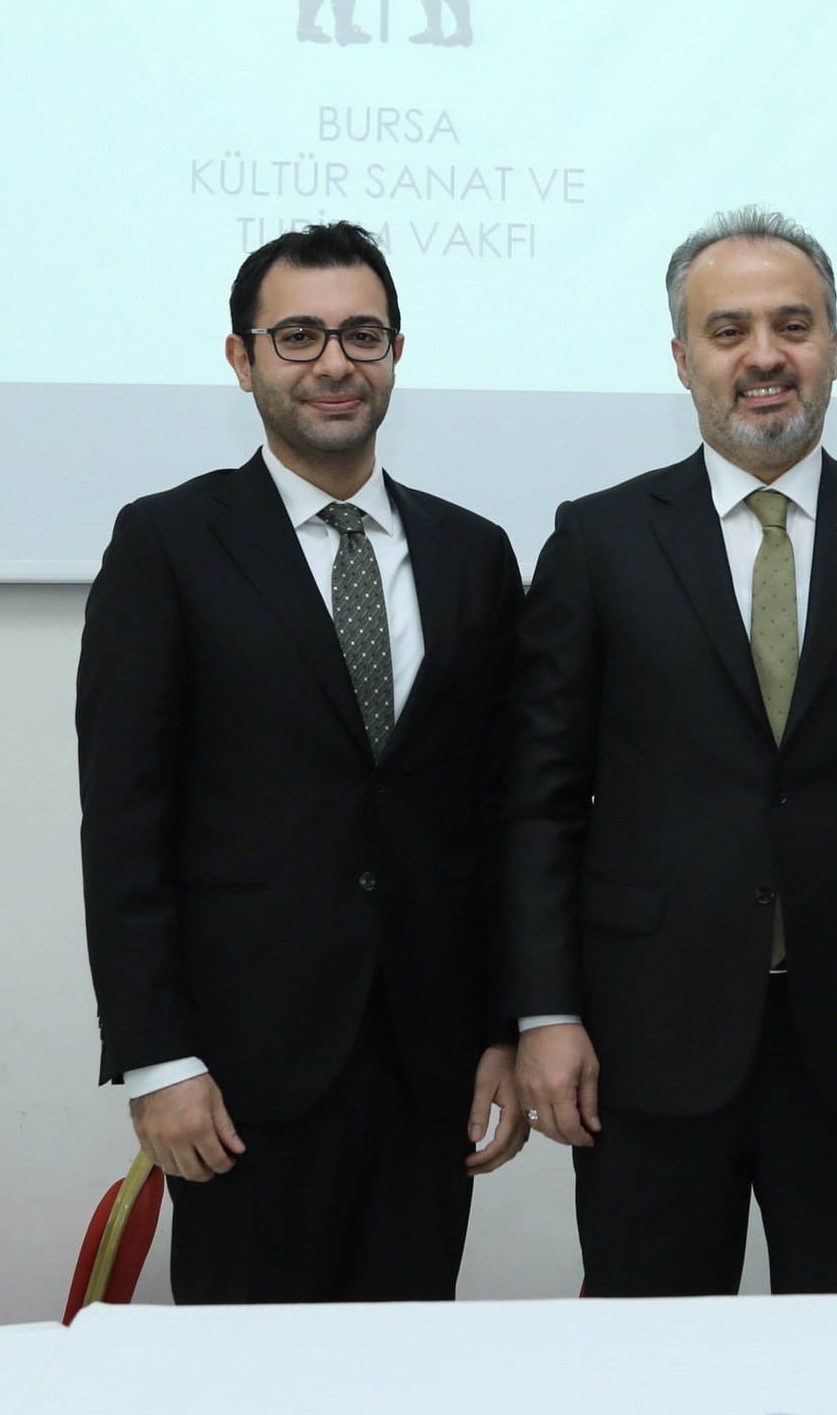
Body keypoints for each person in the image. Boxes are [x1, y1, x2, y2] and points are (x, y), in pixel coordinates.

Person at [506, 206, 837, 1295]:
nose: (765, 355)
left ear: (833, 343)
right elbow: (539, 802)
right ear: (681, 357)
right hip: (647, 1039)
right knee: (648, 1357)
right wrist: (546, 1012)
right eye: (728, 329)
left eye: (793, 324)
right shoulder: (598, 539)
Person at [75, 221, 527, 1301]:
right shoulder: (168, 543)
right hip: (239, 1077)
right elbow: (125, 820)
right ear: (243, 359)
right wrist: (158, 1059)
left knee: (407, 1371)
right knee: (244, 1381)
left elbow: (503, 811)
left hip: (429, 1066)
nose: (335, 362)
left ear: (396, 352)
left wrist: (505, 1029)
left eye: (362, 335)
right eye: (299, 336)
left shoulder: (474, 554)